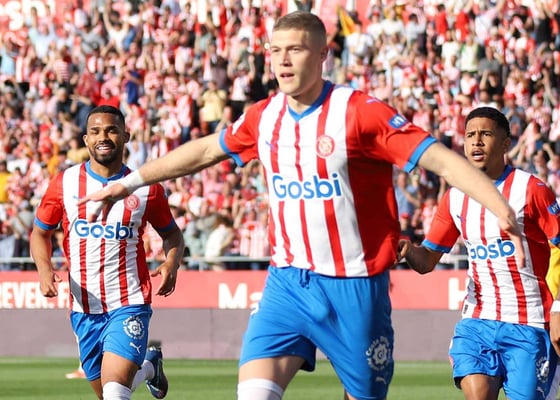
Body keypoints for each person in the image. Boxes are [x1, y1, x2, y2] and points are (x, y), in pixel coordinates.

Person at [79, 12, 525, 400]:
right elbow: (205, 151)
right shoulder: (264, 117)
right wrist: (129, 181)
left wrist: (502, 209)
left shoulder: (359, 112)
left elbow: (440, 159)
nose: (284, 60)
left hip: (355, 288)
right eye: (275, 51)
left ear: (323, 54)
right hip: (288, 283)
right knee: (253, 392)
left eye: (296, 49)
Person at [398, 107, 560, 400]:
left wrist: (559, 307)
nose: (476, 141)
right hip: (477, 321)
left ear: (505, 143)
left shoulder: (531, 189)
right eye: (470, 135)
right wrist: (409, 250)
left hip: (530, 324)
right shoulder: (455, 197)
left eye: (485, 134)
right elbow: (427, 261)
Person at [30, 105, 185, 400]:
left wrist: (171, 262)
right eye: (96, 131)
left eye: (111, 130)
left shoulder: (146, 188)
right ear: (86, 139)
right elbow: (40, 232)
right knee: (106, 392)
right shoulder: (64, 183)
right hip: (84, 308)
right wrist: (44, 269)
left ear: (126, 136)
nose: (103, 137)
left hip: (129, 301)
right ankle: (150, 367)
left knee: (115, 392)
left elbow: (172, 234)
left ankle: (143, 367)